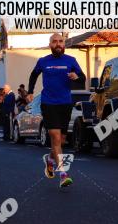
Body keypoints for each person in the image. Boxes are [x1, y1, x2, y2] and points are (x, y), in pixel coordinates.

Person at [27, 33, 86, 188]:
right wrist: (30, 92)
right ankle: (63, 174)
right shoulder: (43, 61)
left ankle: (50, 160)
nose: (58, 44)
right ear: (50, 44)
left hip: (65, 103)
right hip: (48, 103)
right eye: (55, 41)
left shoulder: (71, 61)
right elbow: (33, 75)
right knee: (55, 137)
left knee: (61, 140)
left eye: (60, 41)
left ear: (64, 44)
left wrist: (76, 76)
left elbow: (82, 78)